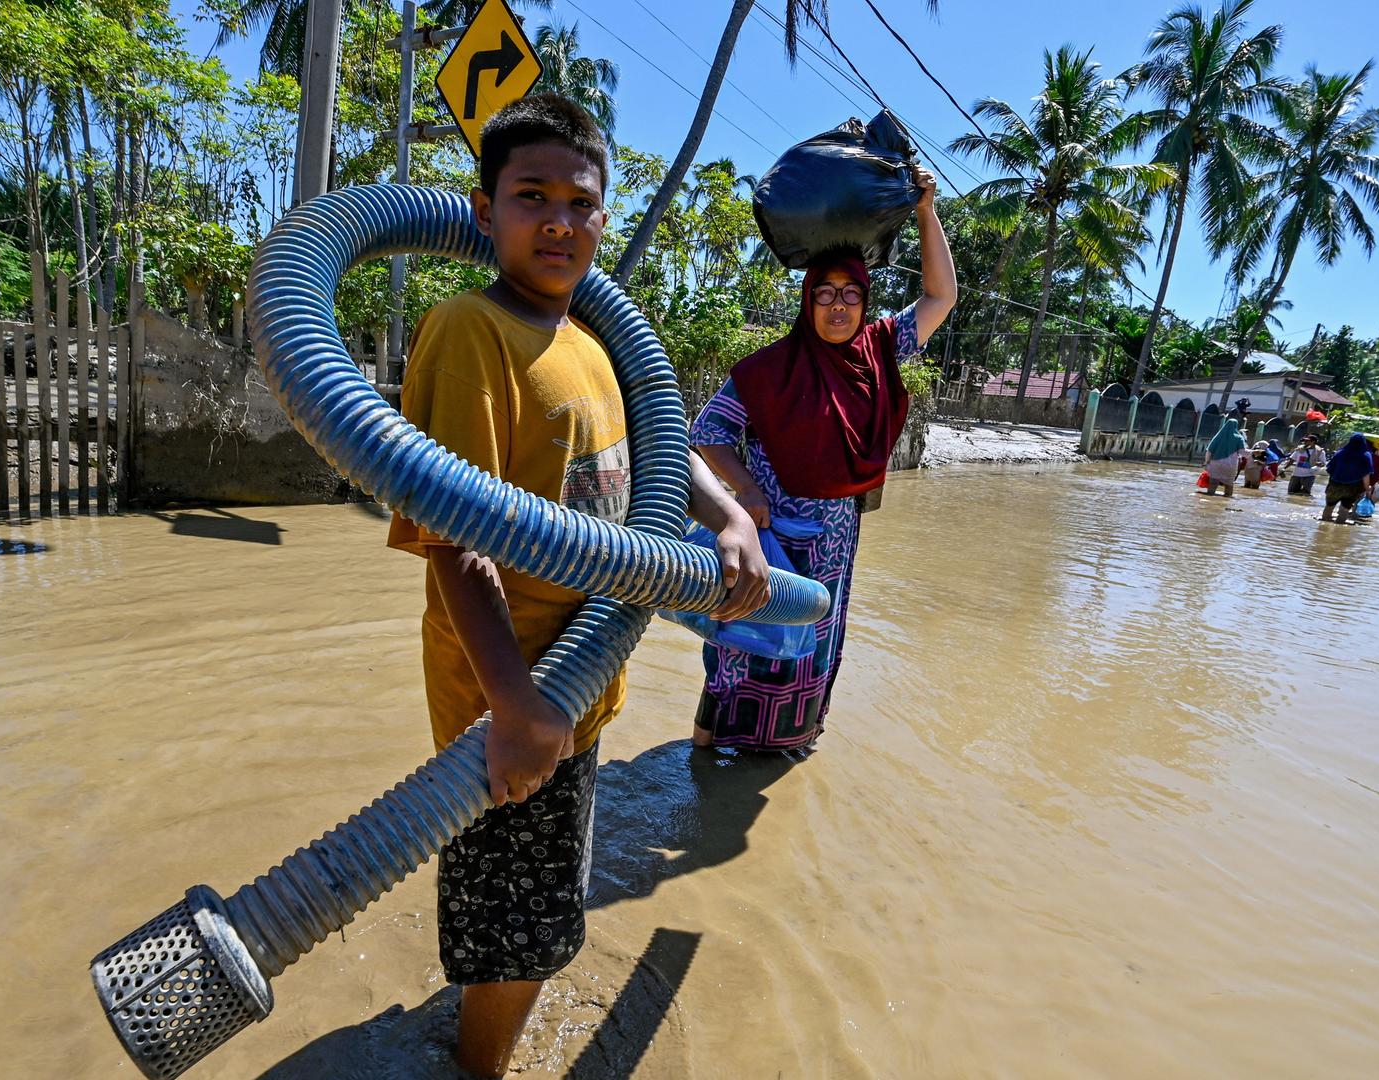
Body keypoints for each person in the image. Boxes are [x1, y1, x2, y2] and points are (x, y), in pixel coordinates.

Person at [384, 95, 771, 1078]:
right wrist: (516, 705)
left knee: (540, 910)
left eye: (579, 201)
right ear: (483, 211)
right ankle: (479, 1069)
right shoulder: (471, 331)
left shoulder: (596, 342)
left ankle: (480, 1038)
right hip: (504, 705)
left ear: (604, 216)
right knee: (512, 931)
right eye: (531, 196)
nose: (558, 219)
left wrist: (728, 519)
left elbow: (657, 453)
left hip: (578, 695)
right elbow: (455, 543)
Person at [687, 162, 956, 752]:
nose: (838, 307)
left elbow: (941, 295)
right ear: (808, 302)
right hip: (769, 534)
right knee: (741, 637)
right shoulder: (769, 369)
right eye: (826, 294)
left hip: (836, 541)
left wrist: (926, 211)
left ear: (865, 302)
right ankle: (707, 748)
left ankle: (792, 743)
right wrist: (748, 495)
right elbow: (706, 433)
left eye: (851, 295)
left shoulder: (881, 349)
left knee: (814, 644)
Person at [1320, 433, 1377, 524]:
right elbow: (1366, 475)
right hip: (1352, 487)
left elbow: (1329, 470)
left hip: (1335, 484)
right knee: (1345, 509)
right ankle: (1339, 528)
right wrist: (1367, 489)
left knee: (1329, 506)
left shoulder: (1340, 453)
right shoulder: (1366, 455)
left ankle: (1323, 527)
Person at [1203, 418, 1247, 497]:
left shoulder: (1218, 436)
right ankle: (1226, 499)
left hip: (1215, 465)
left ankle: (1210, 497)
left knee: (1212, 485)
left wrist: (1206, 462)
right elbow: (1243, 453)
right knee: (1229, 485)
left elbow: (1209, 451)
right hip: (1230, 466)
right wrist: (1254, 453)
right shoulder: (1239, 438)